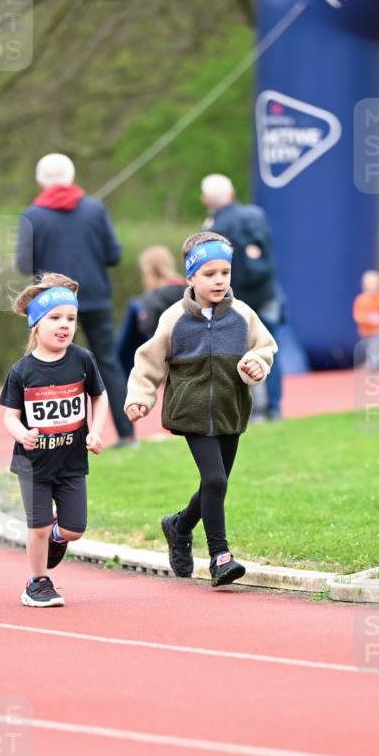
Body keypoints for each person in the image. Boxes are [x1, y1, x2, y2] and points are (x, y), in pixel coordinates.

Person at [124, 231, 277, 587]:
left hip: (230, 409)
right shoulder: (174, 318)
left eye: (225, 272)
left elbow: (266, 348)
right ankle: (220, 557)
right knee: (214, 480)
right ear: (191, 277)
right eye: (210, 274)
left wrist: (255, 362)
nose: (219, 280)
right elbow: (149, 361)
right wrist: (140, 396)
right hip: (190, 411)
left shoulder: (243, 314)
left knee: (216, 484)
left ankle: (178, 525)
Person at [0, 272, 108, 606]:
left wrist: (96, 430)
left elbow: (99, 397)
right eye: (55, 318)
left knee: (74, 528)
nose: (65, 325)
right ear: (36, 324)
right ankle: (37, 582)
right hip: (34, 464)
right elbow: (8, 416)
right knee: (39, 527)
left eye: (71, 319)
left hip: (72, 461)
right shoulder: (22, 371)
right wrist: (23, 434)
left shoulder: (82, 360)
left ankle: (59, 539)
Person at [16, 153, 135, 447]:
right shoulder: (94, 209)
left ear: (41, 181)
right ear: (71, 176)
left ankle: (46, 437)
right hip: (95, 296)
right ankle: (127, 435)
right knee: (108, 364)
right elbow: (114, 255)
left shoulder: (33, 215)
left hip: (51, 306)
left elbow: (23, 263)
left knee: (46, 364)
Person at [200, 173, 283, 420]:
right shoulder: (257, 215)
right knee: (270, 349)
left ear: (206, 200)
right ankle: (274, 407)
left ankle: (248, 410)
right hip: (268, 294)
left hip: (236, 303)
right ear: (233, 193)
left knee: (236, 356)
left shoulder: (213, 230)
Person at [117, 246, 185, 376]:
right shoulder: (190, 291)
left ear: (148, 271)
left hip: (156, 367)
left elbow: (123, 348)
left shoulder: (145, 302)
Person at [352, 270, 379, 371]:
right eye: (369, 285)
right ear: (364, 286)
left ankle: (373, 368)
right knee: (368, 348)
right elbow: (357, 315)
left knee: (375, 347)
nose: (372, 287)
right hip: (365, 331)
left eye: (375, 285)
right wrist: (368, 319)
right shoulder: (360, 300)